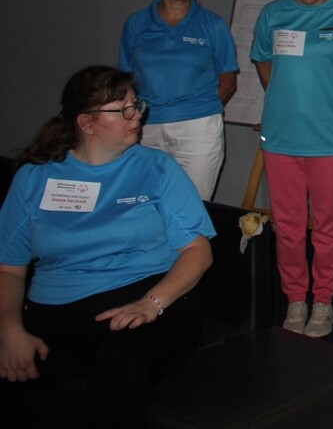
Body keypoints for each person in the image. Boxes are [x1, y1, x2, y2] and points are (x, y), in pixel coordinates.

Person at [0, 65, 214, 428]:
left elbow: (198, 251)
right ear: (86, 123)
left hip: (147, 301)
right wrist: (9, 329)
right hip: (59, 313)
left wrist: (151, 303)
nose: (137, 115)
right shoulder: (34, 178)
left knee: (122, 355)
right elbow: (9, 268)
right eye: (124, 110)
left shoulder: (157, 168)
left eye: (137, 105)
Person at [250, 0, 333, 339]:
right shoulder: (273, 14)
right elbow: (263, 61)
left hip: (331, 138)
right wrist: (283, 98)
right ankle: (296, 299)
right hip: (281, 137)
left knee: (328, 226)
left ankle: (323, 302)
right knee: (287, 226)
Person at [119, 0, 239, 200]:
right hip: (146, 126)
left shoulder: (213, 25)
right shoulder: (136, 24)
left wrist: (198, 111)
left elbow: (228, 81)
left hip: (197, 128)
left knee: (193, 205)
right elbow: (126, 79)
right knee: (147, 203)